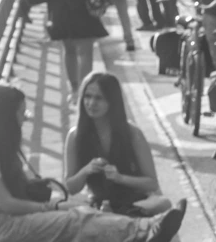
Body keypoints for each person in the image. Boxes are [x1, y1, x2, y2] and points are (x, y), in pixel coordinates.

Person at [0, 84, 186, 242]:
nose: (24, 118)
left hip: (18, 214)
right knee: (74, 219)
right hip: (6, 225)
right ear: (5, 117)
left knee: (81, 207)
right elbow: (7, 204)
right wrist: (50, 207)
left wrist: (55, 204)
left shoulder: (1, 144)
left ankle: (141, 232)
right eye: (21, 113)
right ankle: (143, 230)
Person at [65, 72, 173, 216]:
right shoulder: (75, 136)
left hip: (135, 202)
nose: (91, 103)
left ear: (112, 102)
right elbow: (71, 187)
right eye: (87, 96)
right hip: (97, 205)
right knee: (65, 208)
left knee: (164, 203)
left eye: (99, 98)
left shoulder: (133, 133)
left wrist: (120, 178)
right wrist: (86, 170)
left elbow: (152, 183)